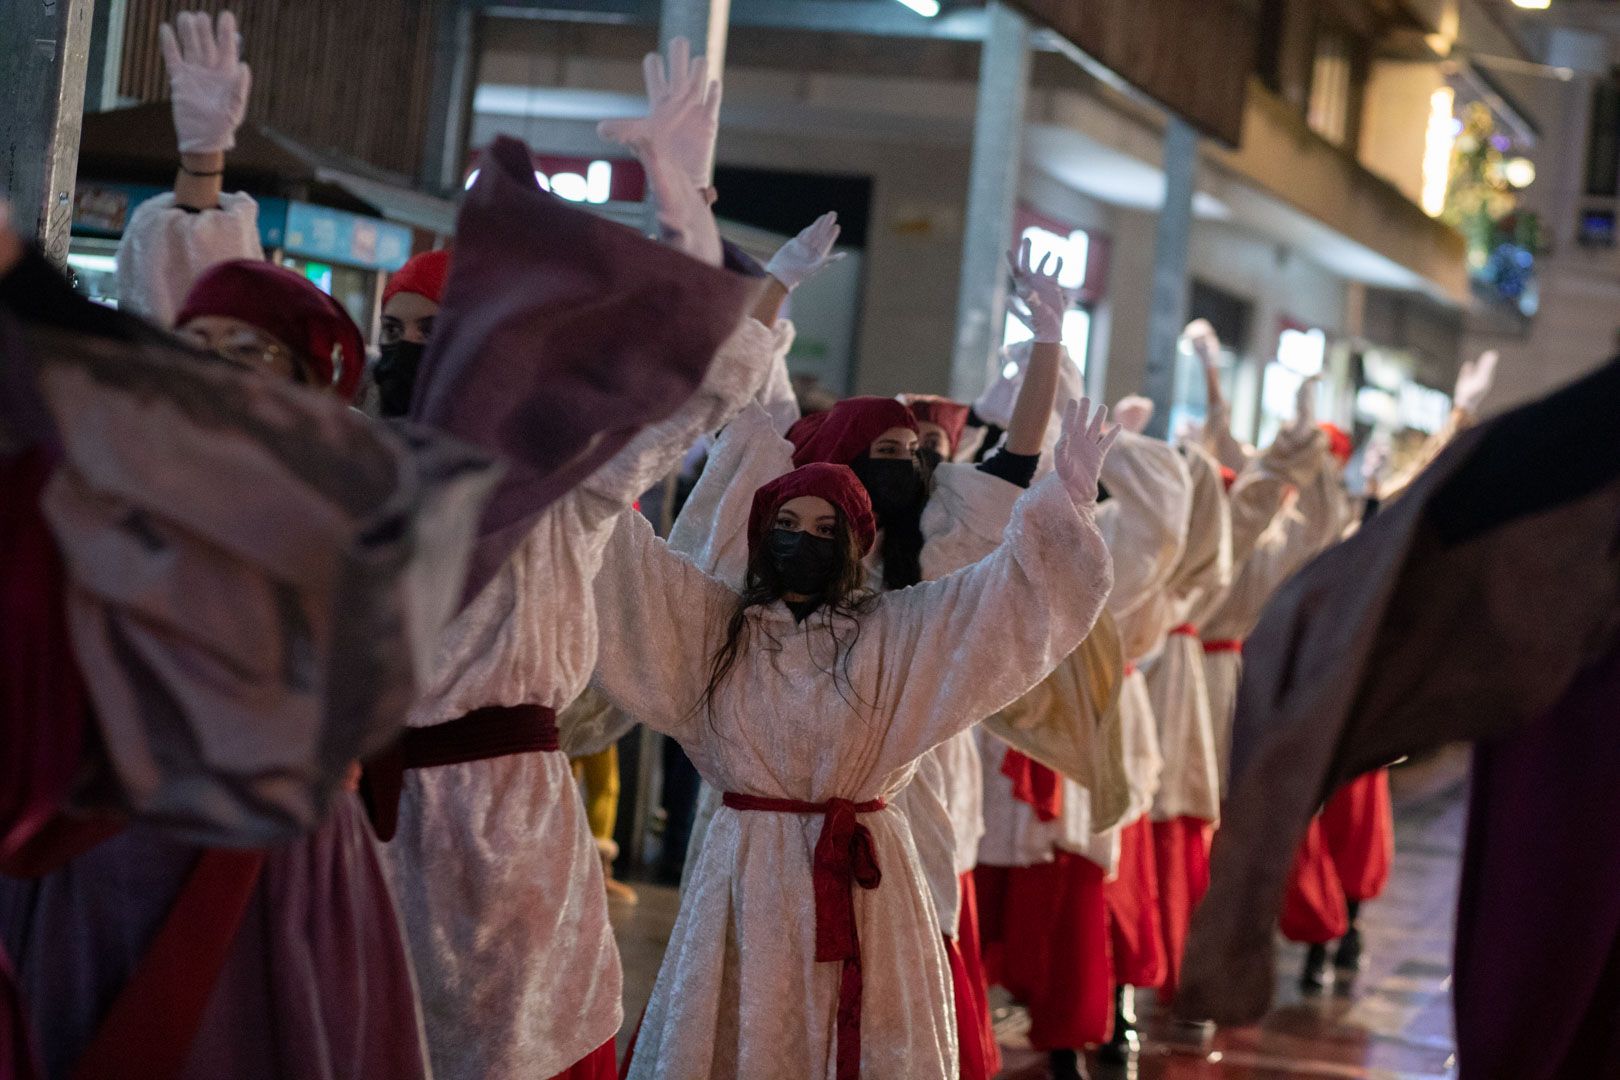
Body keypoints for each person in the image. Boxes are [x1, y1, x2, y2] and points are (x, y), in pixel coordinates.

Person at [374, 42, 775, 1080]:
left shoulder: (561, 480)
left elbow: (690, 394)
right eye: (396, 330)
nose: (410, 349)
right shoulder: (347, 462)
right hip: (349, 821)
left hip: (502, 833)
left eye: (434, 328)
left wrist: (683, 212)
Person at [591, 395, 1116, 1080]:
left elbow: (1005, 603)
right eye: (784, 523)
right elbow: (630, 568)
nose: (800, 540)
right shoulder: (716, 631)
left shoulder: (898, 632)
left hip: (867, 883)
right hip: (746, 873)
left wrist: (1064, 504)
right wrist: (591, 457)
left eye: (822, 527)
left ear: (855, 541)